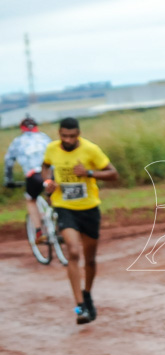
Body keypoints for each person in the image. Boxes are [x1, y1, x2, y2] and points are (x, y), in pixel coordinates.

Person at [41, 117, 119, 325]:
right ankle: (80, 307)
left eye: (72, 136)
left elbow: (113, 173)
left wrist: (89, 173)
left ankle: (87, 295)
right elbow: (45, 168)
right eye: (64, 136)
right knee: (73, 252)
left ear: (79, 134)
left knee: (90, 259)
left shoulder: (90, 150)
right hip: (64, 207)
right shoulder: (51, 149)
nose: (68, 140)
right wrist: (48, 182)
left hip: (89, 209)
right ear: (59, 134)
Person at [3, 115, 52, 243]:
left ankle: (39, 232)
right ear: (36, 127)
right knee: (52, 194)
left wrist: (8, 180)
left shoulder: (18, 141)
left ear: (22, 128)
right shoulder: (45, 137)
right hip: (50, 173)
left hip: (34, 175)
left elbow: (8, 161)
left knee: (31, 199)